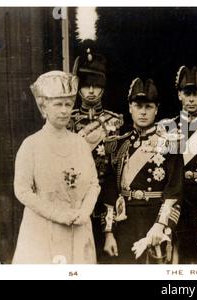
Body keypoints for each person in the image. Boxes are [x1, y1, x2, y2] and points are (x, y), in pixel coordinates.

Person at [13, 71, 101, 264]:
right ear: (44, 107)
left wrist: (85, 211)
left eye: (68, 104)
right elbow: (22, 190)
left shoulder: (80, 143)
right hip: (43, 229)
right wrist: (58, 214)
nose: (64, 111)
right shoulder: (31, 145)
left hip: (78, 227)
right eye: (58, 104)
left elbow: (94, 183)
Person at [102, 77, 184, 264]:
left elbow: (174, 192)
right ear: (130, 108)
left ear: (156, 109)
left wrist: (160, 225)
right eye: (138, 106)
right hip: (124, 224)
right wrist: (108, 232)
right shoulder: (118, 144)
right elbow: (110, 192)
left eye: (148, 106)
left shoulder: (170, 144)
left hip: (155, 221)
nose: (143, 112)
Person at [68, 47, 123, 263]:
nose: (91, 91)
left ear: (103, 89)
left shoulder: (113, 121)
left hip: (105, 199)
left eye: (97, 86)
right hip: (75, 198)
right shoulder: (69, 121)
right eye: (86, 86)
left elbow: (115, 169)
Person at [159, 66, 197, 264]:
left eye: (196, 93)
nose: (191, 99)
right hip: (175, 206)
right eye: (187, 93)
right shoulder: (166, 128)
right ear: (179, 95)